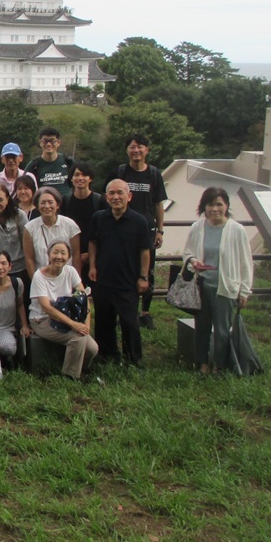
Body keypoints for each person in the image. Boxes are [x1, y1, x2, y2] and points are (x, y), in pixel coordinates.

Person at [183, 187, 254, 375]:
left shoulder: (236, 230)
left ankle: (219, 365)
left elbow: (245, 262)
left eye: (219, 204)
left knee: (222, 330)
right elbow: (188, 252)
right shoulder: (197, 227)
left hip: (226, 287)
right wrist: (193, 261)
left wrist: (244, 291)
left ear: (226, 206)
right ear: (204, 207)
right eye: (210, 204)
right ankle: (202, 363)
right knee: (202, 327)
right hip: (202, 285)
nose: (214, 209)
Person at [88, 179, 152, 368]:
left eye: (120, 193)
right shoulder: (99, 218)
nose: (116, 197)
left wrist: (144, 277)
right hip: (103, 278)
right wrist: (92, 266)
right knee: (103, 320)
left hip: (128, 280)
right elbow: (92, 242)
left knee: (129, 322)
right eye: (112, 193)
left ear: (129, 196)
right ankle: (107, 356)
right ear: (106, 197)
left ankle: (133, 359)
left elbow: (145, 250)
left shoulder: (139, 221)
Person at [107, 134, 168, 329]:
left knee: (148, 270)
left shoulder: (154, 174)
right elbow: (108, 197)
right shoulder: (120, 172)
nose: (136, 151)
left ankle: (146, 313)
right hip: (122, 228)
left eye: (140, 147)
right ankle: (123, 311)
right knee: (123, 268)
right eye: (132, 147)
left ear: (146, 150)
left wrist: (160, 230)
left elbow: (158, 203)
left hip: (147, 229)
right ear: (127, 150)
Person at [29, 240, 98, 380]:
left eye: (63, 253)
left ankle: (81, 369)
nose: (59, 256)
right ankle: (70, 376)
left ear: (68, 257)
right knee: (78, 337)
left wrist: (86, 326)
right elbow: (46, 307)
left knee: (92, 348)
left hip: (65, 317)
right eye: (55, 252)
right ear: (48, 255)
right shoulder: (39, 276)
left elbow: (83, 298)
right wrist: (74, 325)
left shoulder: (70, 271)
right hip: (42, 319)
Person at [61, 162, 106, 283]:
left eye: (84, 175)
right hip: (70, 257)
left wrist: (90, 255)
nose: (80, 178)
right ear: (71, 178)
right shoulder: (65, 201)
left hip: (95, 258)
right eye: (76, 175)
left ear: (90, 178)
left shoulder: (99, 201)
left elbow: (105, 231)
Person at [23, 186, 81, 276]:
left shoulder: (70, 225)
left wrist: (76, 280)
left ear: (57, 205)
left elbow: (76, 255)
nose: (47, 206)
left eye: (50, 202)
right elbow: (29, 258)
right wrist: (35, 280)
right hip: (42, 278)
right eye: (42, 203)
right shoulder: (30, 228)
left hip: (66, 277)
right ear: (37, 206)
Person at [25, 127, 76, 194]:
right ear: (40, 143)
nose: (48, 144)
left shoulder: (69, 162)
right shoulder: (33, 165)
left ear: (58, 142)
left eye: (52, 141)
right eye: (45, 141)